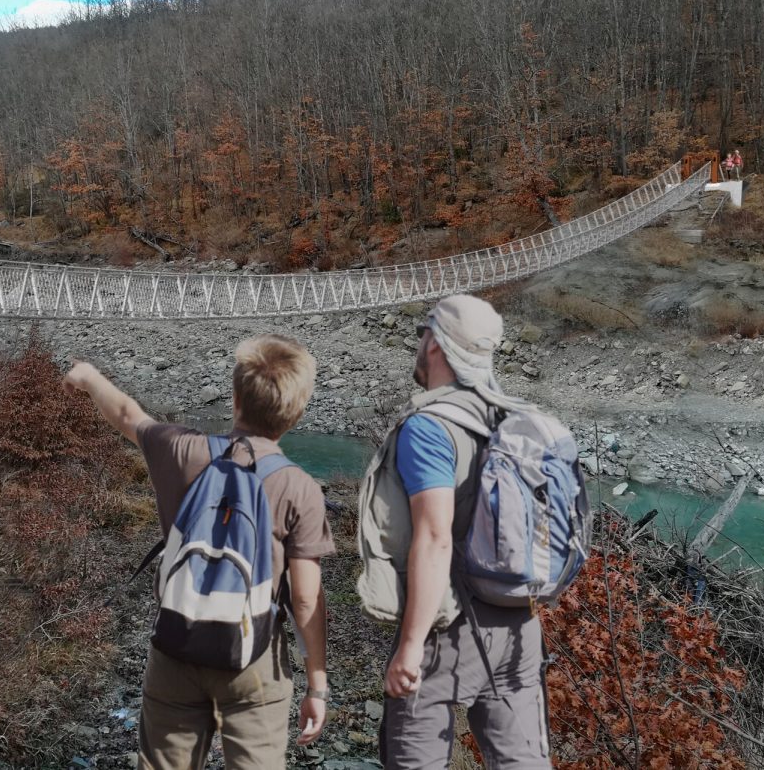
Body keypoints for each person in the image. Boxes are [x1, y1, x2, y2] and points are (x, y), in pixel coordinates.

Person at [62, 334, 333, 770]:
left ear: (235, 397)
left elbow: (128, 414)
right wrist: (316, 683)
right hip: (255, 657)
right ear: (297, 412)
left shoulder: (184, 451)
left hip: (177, 647)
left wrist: (89, 377)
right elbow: (304, 598)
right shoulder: (299, 487)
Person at [376, 295, 550, 769]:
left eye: (421, 334)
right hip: (519, 625)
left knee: (412, 755)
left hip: (449, 624)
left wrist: (410, 648)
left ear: (435, 343)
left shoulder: (430, 428)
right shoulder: (513, 417)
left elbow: (434, 539)